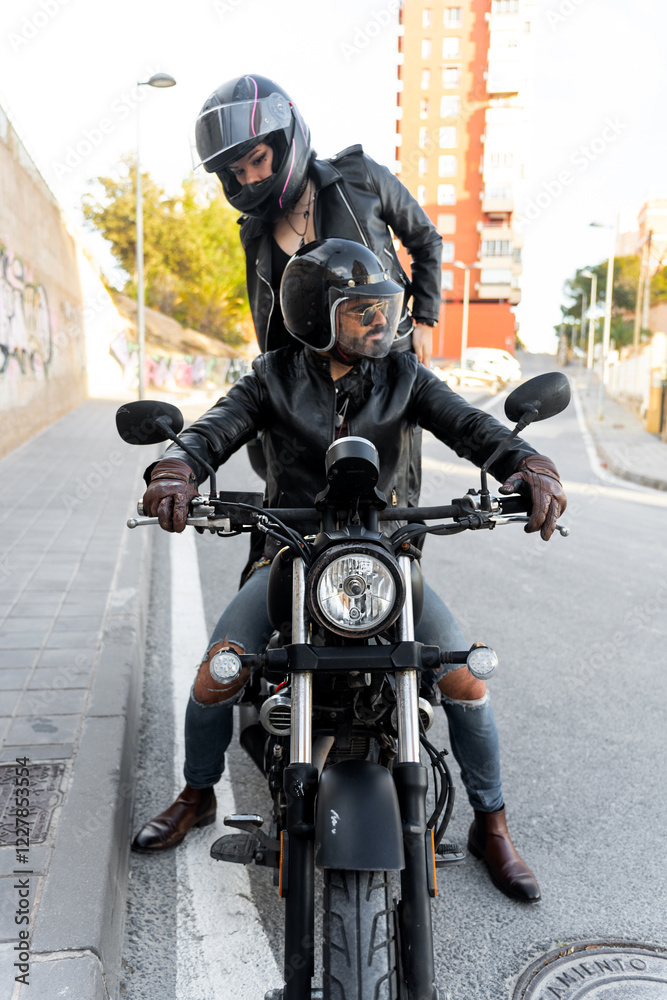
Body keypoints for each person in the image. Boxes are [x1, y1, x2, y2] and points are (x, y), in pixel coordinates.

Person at [131, 239, 567, 904]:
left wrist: (525, 464)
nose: (380, 325)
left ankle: (492, 823)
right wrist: (175, 467)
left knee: (464, 683)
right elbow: (213, 429)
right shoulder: (271, 376)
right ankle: (196, 794)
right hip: (290, 554)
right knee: (217, 674)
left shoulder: (405, 376)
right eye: (362, 311)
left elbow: (470, 427)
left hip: (381, 557)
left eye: (384, 311)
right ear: (314, 314)